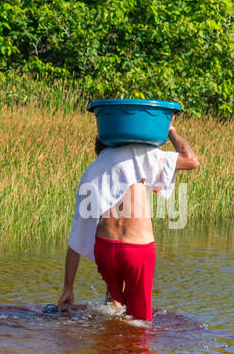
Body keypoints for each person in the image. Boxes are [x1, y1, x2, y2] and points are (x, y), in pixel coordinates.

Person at [56, 122, 200, 322]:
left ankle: (112, 323)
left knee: (115, 308)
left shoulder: (92, 171)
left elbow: (77, 236)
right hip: (137, 251)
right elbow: (191, 160)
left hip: (106, 251)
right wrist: (171, 130)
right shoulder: (140, 157)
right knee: (141, 324)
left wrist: (68, 288)